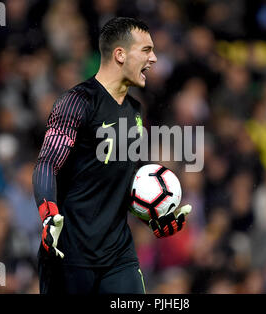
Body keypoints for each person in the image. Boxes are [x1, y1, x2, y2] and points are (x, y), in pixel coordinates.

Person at [32, 17, 191, 294]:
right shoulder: (77, 102)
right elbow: (48, 162)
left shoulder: (135, 112)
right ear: (120, 54)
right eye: (146, 50)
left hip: (118, 257)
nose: (153, 59)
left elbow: (122, 184)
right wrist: (48, 214)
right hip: (69, 254)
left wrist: (152, 216)